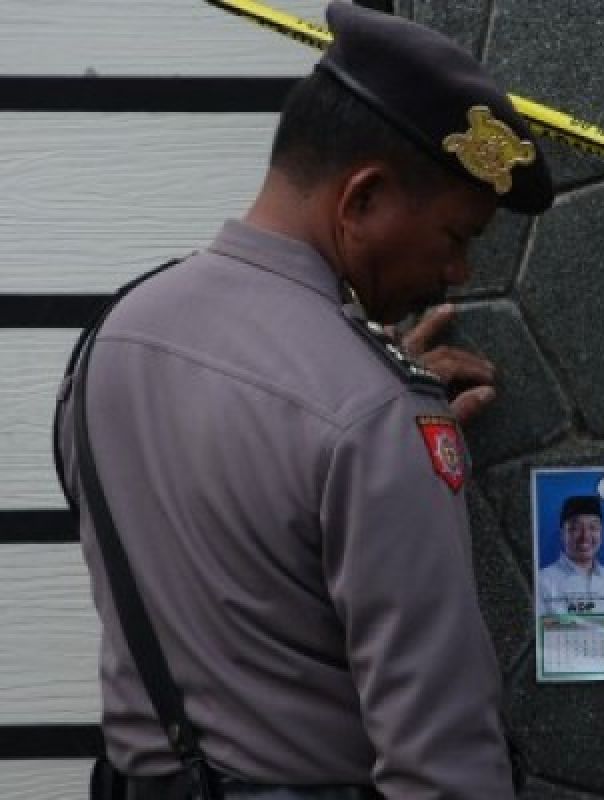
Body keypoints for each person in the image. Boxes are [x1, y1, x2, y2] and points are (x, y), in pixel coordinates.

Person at [53, 3, 552, 799]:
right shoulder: (378, 412)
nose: (457, 273)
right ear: (361, 200)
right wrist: (390, 424)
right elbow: (443, 763)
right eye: (458, 236)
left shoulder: (112, 337)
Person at [535, 496, 604, 615]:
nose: (585, 536)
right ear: (562, 533)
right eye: (575, 528)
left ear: (602, 533)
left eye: (593, 527)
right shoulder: (541, 582)